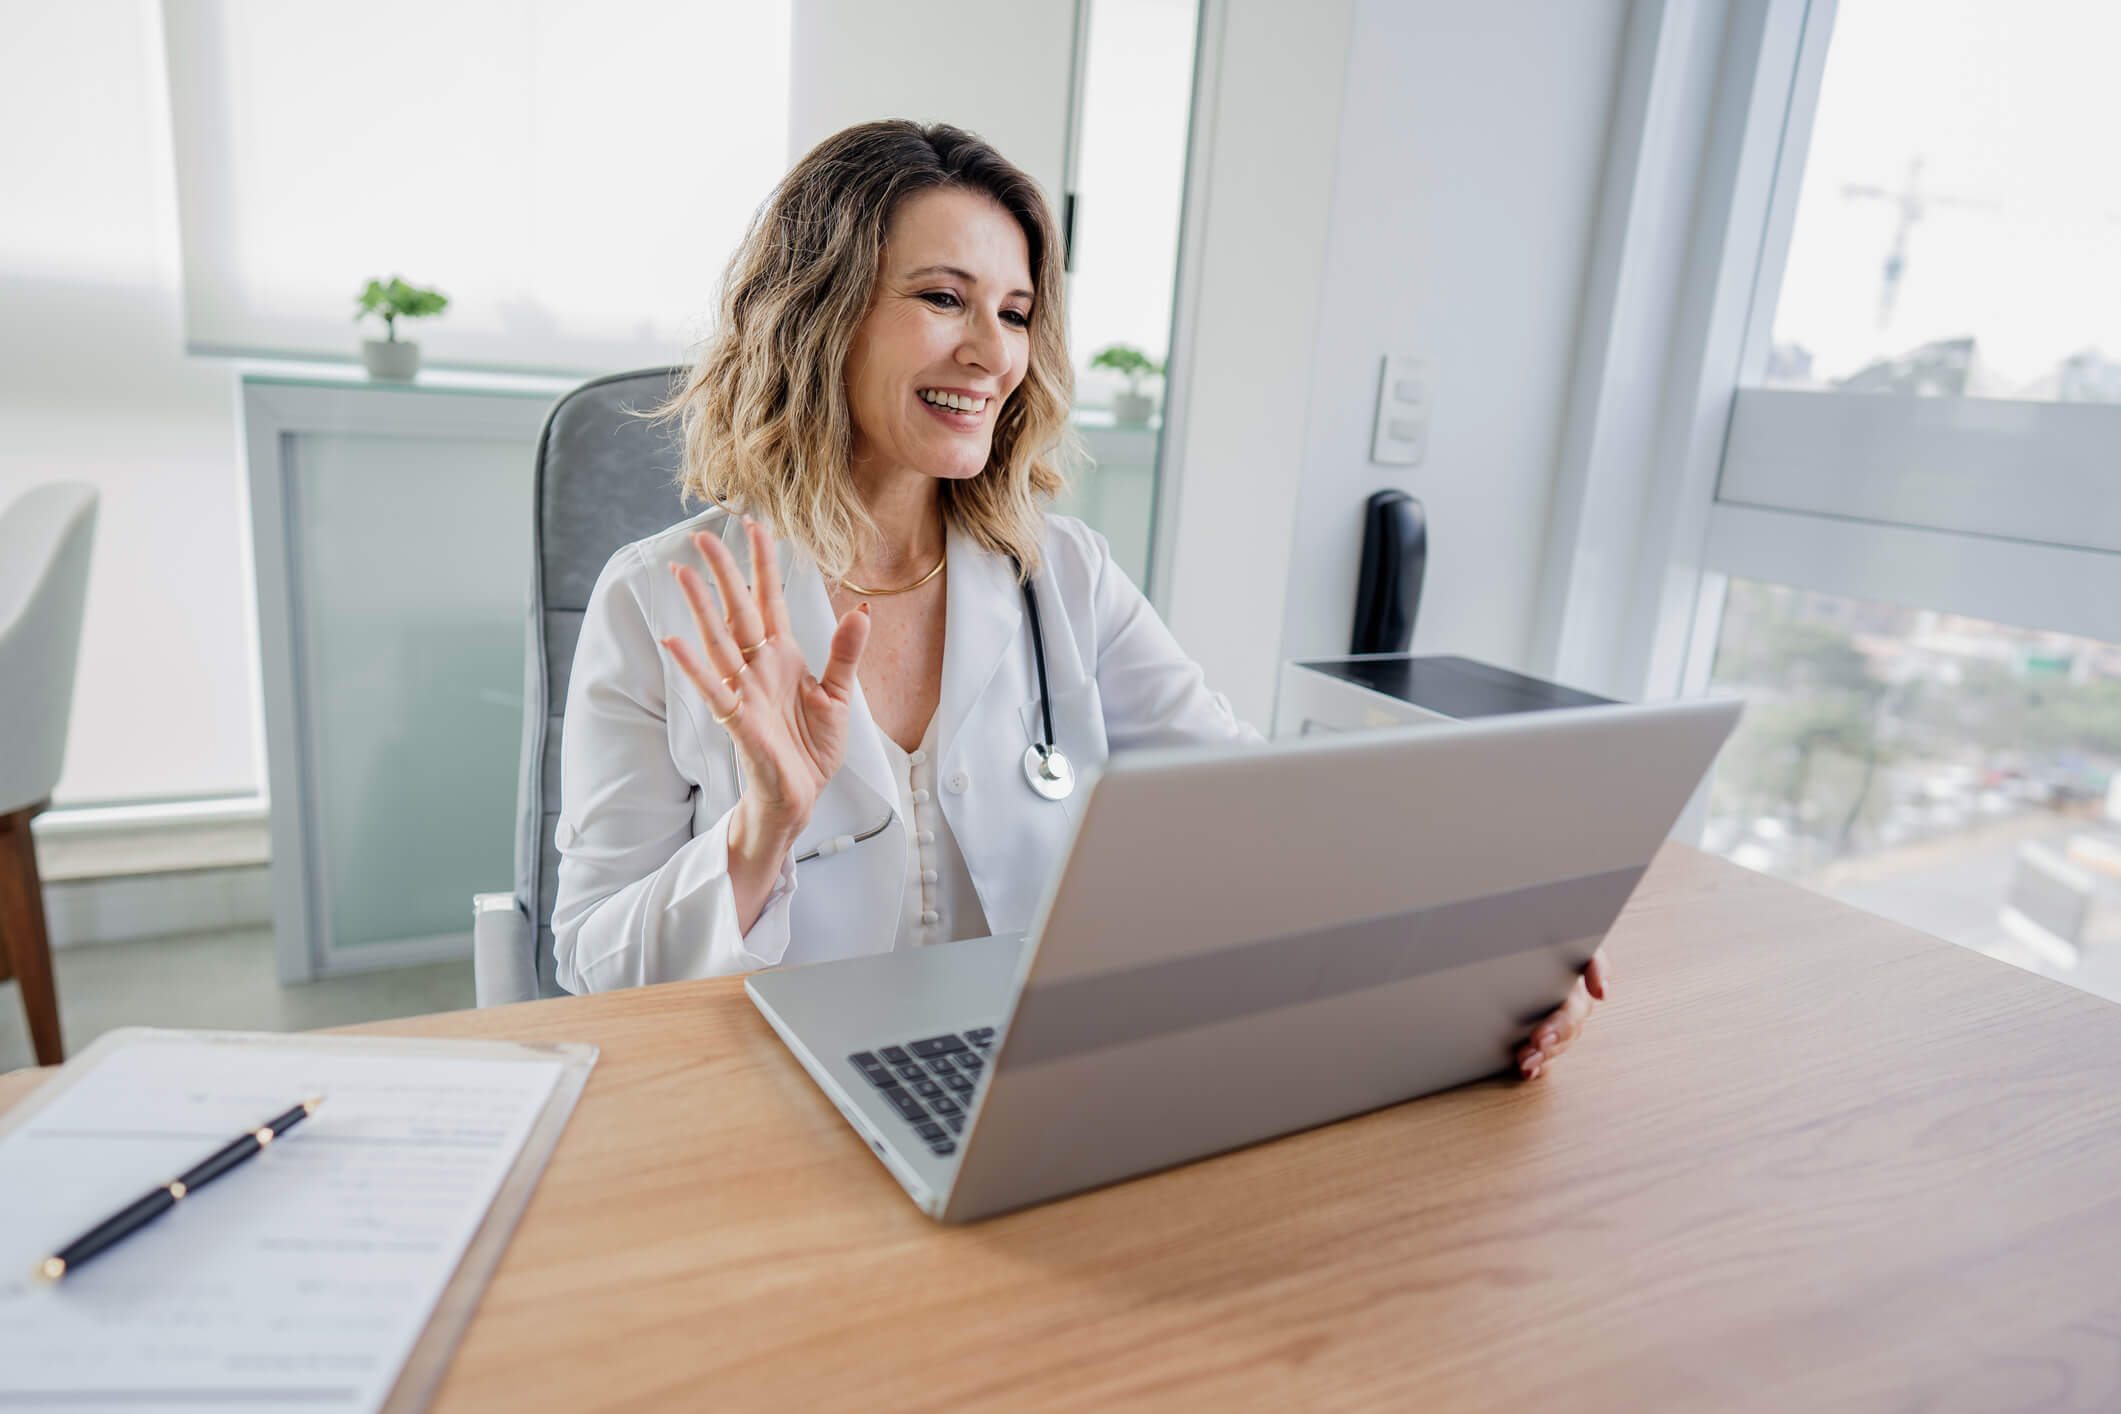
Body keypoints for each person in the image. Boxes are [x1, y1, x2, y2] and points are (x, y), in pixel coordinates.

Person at [550, 120, 1605, 1082]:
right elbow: (592, 958)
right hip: (763, 1102)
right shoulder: (661, 600)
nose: (992, 352)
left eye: (1015, 313)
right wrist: (761, 827)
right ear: (818, 312)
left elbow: (1261, 809)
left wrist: (1494, 929)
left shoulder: (1061, 578)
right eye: (942, 298)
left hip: (1024, 1091)